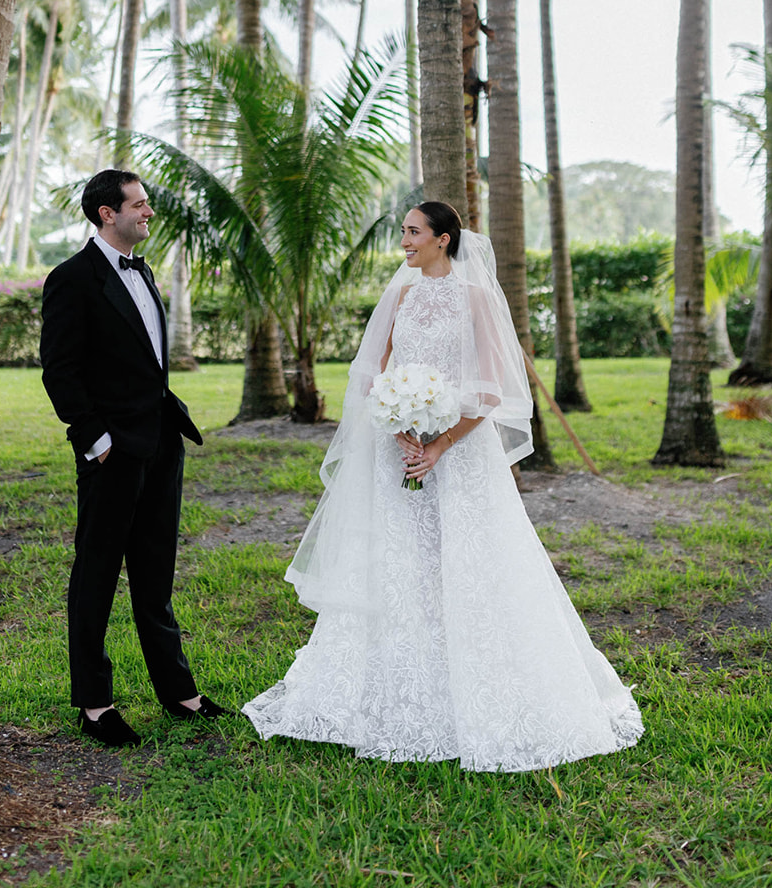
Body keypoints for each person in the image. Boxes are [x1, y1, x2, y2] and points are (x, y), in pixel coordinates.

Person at [244, 201, 643, 769]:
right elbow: (373, 371)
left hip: (459, 452)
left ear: (443, 238)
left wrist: (439, 443)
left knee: (467, 559)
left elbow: (492, 389)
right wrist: (396, 421)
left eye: (413, 232)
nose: (404, 241)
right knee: (401, 559)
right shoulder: (402, 295)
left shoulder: (476, 297)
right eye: (404, 233)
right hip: (400, 449)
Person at [40, 168, 227, 747]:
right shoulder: (71, 279)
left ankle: (178, 693)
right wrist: (96, 441)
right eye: (139, 205)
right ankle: (95, 705)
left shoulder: (143, 270)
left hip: (162, 445)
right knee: (95, 575)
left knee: (156, 576)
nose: (148, 213)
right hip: (111, 454)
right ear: (106, 213)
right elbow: (60, 371)